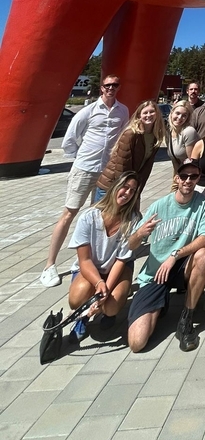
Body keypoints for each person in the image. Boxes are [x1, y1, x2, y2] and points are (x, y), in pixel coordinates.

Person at [40, 74, 129, 287]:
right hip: (84, 169)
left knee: (97, 217)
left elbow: (122, 135)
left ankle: (83, 259)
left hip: (107, 172)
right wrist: (79, 157)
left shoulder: (123, 110)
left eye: (115, 85)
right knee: (69, 212)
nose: (111, 88)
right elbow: (70, 138)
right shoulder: (88, 111)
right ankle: (49, 265)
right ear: (101, 88)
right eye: (108, 85)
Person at [127, 158, 205, 353]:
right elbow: (131, 245)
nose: (188, 180)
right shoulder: (159, 206)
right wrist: (140, 234)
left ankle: (187, 318)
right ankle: (160, 302)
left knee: (204, 255)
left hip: (181, 266)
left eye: (193, 176)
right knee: (137, 342)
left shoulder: (203, 204)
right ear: (177, 178)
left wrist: (175, 255)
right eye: (184, 176)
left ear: (198, 178)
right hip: (156, 273)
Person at [66, 171, 140, 341]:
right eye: (125, 187)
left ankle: (109, 313)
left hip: (117, 268)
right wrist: (99, 283)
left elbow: (121, 260)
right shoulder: (88, 217)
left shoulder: (133, 220)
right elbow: (84, 260)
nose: (127, 193)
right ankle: (82, 317)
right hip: (91, 268)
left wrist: (106, 290)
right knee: (77, 299)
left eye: (133, 191)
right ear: (115, 187)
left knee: (111, 306)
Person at [95, 100, 165, 200]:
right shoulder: (131, 134)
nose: (149, 115)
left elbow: (146, 166)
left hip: (130, 187)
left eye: (152, 112)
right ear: (139, 116)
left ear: (157, 114)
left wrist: (136, 189)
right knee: (100, 215)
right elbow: (121, 165)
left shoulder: (155, 136)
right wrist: (123, 189)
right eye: (145, 112)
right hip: (113, 186)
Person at [166, 100, 200, 173]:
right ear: (172, 113)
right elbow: (174, 159)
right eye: (177, 113)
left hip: (189, 175)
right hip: (179, 173)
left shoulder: (188, 132)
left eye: (184, 115)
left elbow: (191, 161)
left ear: (187, 118)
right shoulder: (169, 131)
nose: (180, 117)